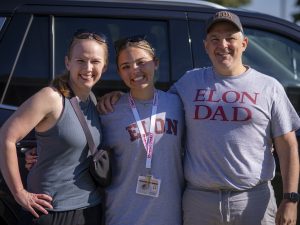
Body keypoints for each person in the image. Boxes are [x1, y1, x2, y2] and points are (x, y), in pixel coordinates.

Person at [97, 11, 300, 225]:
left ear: (244, 43)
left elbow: (288, 144)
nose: (222, 45)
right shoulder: (189, 83)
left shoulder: (269, 87)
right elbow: (149, 99)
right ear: (205, 46)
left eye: (230, 38)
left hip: (252, 199)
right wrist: (118, 95)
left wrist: (290, 199)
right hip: (200, 201)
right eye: (214, 39)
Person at [25, 35, 185, 225]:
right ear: (118, 72)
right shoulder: (108, 111)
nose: (135, 70)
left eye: (142, 62)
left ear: (156, 63)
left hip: (168, 217)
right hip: (120, 216)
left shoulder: (178, 104)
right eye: (126, 66)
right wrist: (40, 152)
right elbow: (77, 142)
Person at [0, 29, 109, 225]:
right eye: (81, 60)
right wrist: (19, 193)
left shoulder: (92, 100)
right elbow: (6, 137)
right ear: (68, 62)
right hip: (51, 212)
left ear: (105, 66)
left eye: (95, 61)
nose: (88, 68)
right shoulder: (52, 97)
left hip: (89, 209)